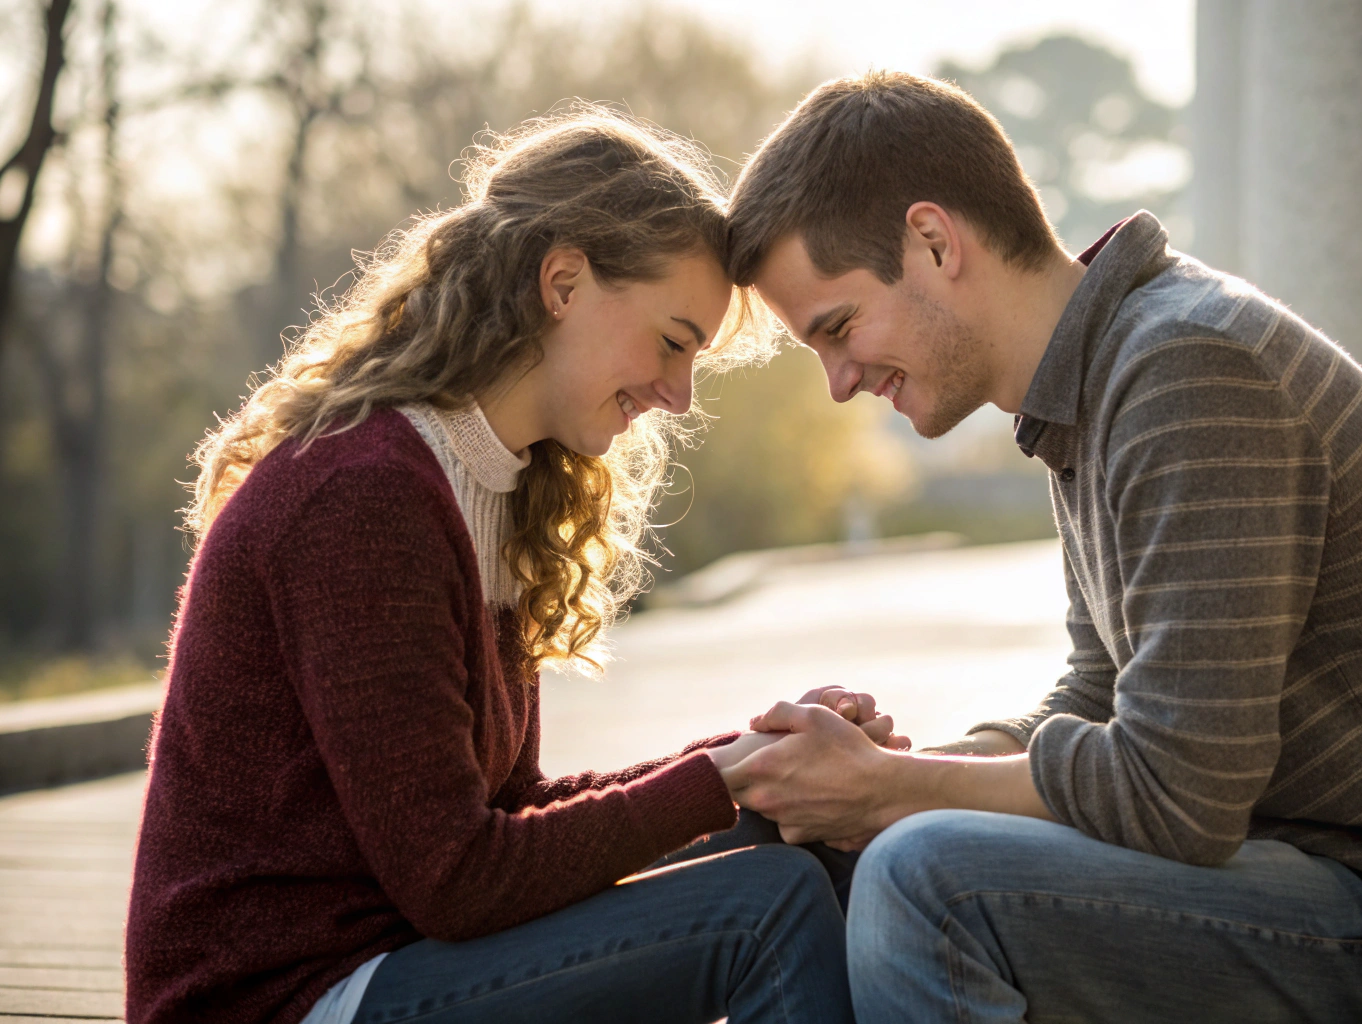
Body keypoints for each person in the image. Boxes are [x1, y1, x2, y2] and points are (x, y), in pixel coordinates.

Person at [719, 71, 1362, 1024]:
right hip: (1327, 886)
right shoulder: (1099, 386)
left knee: (927, 877)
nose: (838, 381)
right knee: (850, 853)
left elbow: (1177, 795)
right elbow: (1100, 698)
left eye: (838, 327)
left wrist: (895, 794)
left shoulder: (1187, 368)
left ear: (934, 242)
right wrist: (890, 773)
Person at [124, 109, 899, 1024]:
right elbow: (458, 879)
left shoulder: (491, 483)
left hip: (396, 955)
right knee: (763, 911)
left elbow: (510, 812)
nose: (678, 394)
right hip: (280, 996)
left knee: (804, 837)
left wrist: (753, 763)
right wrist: (717, 779)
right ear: (563, 282)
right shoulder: (363, 496)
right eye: (673, 340)